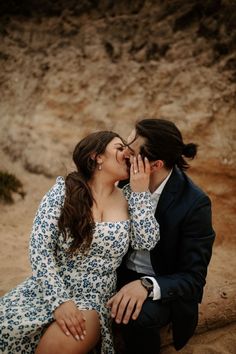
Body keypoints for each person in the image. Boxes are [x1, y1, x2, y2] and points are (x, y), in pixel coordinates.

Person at [0, 131, 160, 354]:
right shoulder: (63, 191)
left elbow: (147, 241)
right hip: (47, 290)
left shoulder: (131, 198)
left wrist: (141, 193)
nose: (127, 154)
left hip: (93, 300)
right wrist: (59, 301)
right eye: (119, 148)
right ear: (97, 157)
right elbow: (40, 250)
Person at [107, 118, 215, 354]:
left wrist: (147, 285)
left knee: (134, 315)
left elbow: (193, 278)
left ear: (155, 165)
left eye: (131, 151)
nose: (123, 153)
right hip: (117, 272)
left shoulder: (194, 204)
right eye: (125, 143)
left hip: (161, 284)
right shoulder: (119, 179)